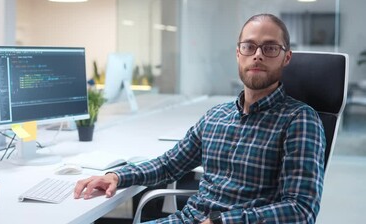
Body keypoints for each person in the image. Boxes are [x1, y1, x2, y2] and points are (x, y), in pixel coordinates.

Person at [74, 13, 326, 224]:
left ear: (286, 57)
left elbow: (300, 210)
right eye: (249, 46)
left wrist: (221, 222)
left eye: (270, 48)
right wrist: (117, 177)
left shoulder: (300, 121)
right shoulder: (216, 116)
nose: (257, 55)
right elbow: (169, 165)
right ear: (238, 53)